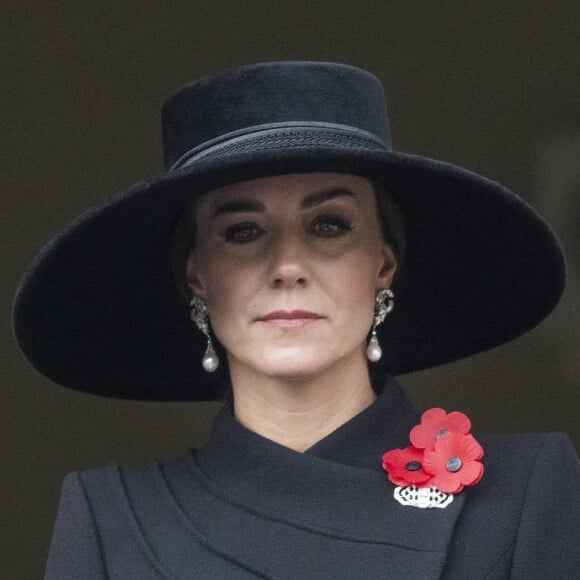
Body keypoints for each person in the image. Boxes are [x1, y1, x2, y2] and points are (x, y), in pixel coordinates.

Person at [13, 61, 579, 579]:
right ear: (197, 276)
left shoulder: (524, 493)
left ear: (383, 261)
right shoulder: (110, 520)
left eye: (329, 225)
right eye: (242, 231)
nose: (287, 266)